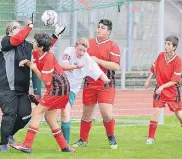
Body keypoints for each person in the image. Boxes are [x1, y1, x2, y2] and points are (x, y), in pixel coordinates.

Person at [0, 19, 66, 152]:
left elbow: (41, 46)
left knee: (26, 115)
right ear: (9, 32)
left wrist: (55, 35)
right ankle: (3, 144)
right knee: (10, 113)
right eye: (16, 27)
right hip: (5, 87)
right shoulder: (6, 42)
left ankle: (10, 134)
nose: (20, 29)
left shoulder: (26, 45)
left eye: (20, 27)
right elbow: (17, 38)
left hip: (21, 90)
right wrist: (28, 27)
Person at [10, 33, 75, 153]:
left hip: (57, 89)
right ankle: (64, 147)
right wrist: (28, 63)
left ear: (40, 47)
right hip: (62, 88)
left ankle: (27, 145)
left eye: (34, 42)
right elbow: (38, 61)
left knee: (37, 112)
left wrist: (33, 68)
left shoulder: (49, 58)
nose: (33, 43)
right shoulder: (38, 52)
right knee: (49, 117)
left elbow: (47, 81)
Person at [73, 19, 120, 149]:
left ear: (108, 32)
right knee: (86, 114)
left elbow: (116, 66)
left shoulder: (113, 45)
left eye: (103, 28)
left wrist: (97, 61)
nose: (99, 29)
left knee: (106, 113)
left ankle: (111, 137)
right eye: (98, 27)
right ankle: (83, 140)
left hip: (106, 84)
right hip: (89, 84)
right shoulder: (89, 43)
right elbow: (79, 55)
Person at [144, 35, 182, 144]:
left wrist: (163, 86)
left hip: (172, 91)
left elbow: (175, 80)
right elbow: (153, 69)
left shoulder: (177, 60)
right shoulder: (161, 56)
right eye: (165, 43)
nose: (166, 46)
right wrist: (148, 79)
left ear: (174, 47)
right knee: (156, 111)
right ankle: (150, 138)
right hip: (160, 89)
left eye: (168, 44)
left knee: (179, 114)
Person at [60, 38, 110, 144]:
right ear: (75, 47)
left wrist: (106, 79)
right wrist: (76, 66)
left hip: (72, 89)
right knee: (48, 113)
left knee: (65, 110)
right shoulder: (69, 51)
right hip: (60, 85)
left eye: (84, 51)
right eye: (80, 50)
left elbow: (98, 71)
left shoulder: (87, 59)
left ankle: (65, 144)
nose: (81, 53)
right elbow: (63, 66)